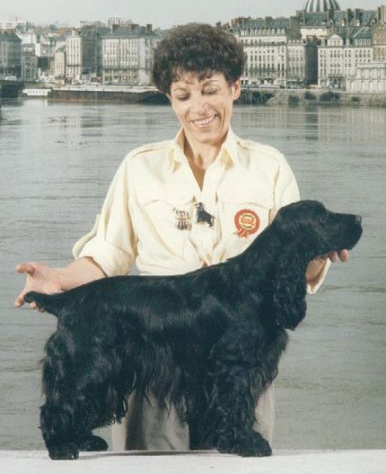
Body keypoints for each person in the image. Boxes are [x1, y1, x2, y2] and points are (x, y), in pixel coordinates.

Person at [15, 23, 349, 451]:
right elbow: (106, 257)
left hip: (239, 364)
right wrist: (58, 280)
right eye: (183, 94)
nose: (198, 108)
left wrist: (318, 254)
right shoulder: (140, 167)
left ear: (235, 87)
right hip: (156, 367)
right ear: (169, 98)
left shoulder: (271, 167)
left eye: (210, 90)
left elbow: (293, 267)